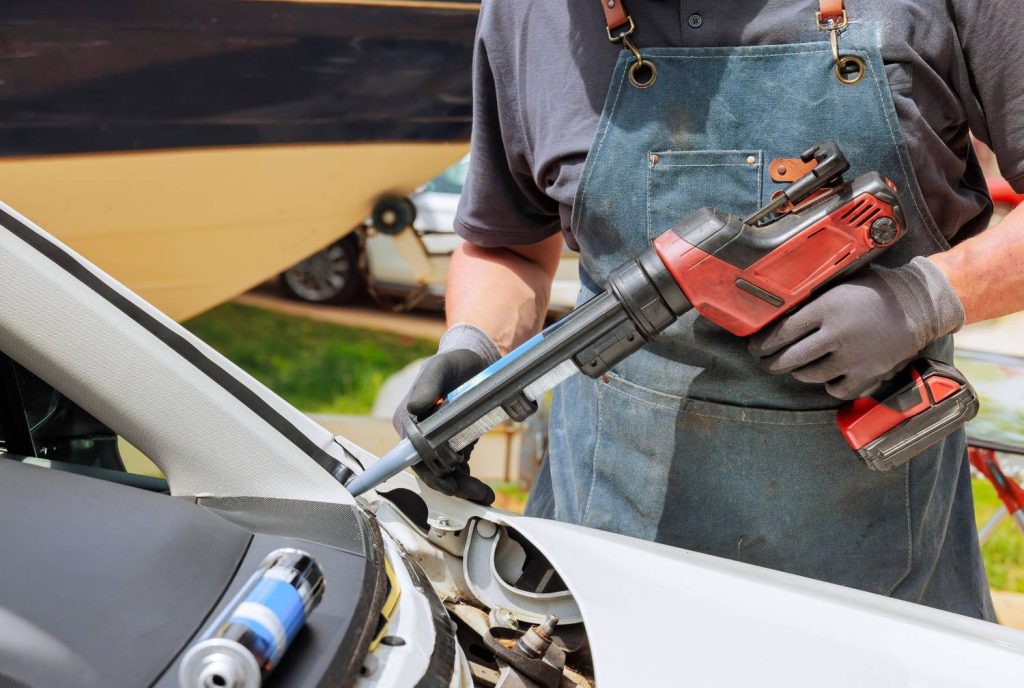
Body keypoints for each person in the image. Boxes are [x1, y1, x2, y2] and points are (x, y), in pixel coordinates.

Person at [393, 0, 1024, 620]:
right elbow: (506, 242)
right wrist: (473, 348)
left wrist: (924, 298)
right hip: (603, 557)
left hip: (875, 569)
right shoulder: (532, 13)